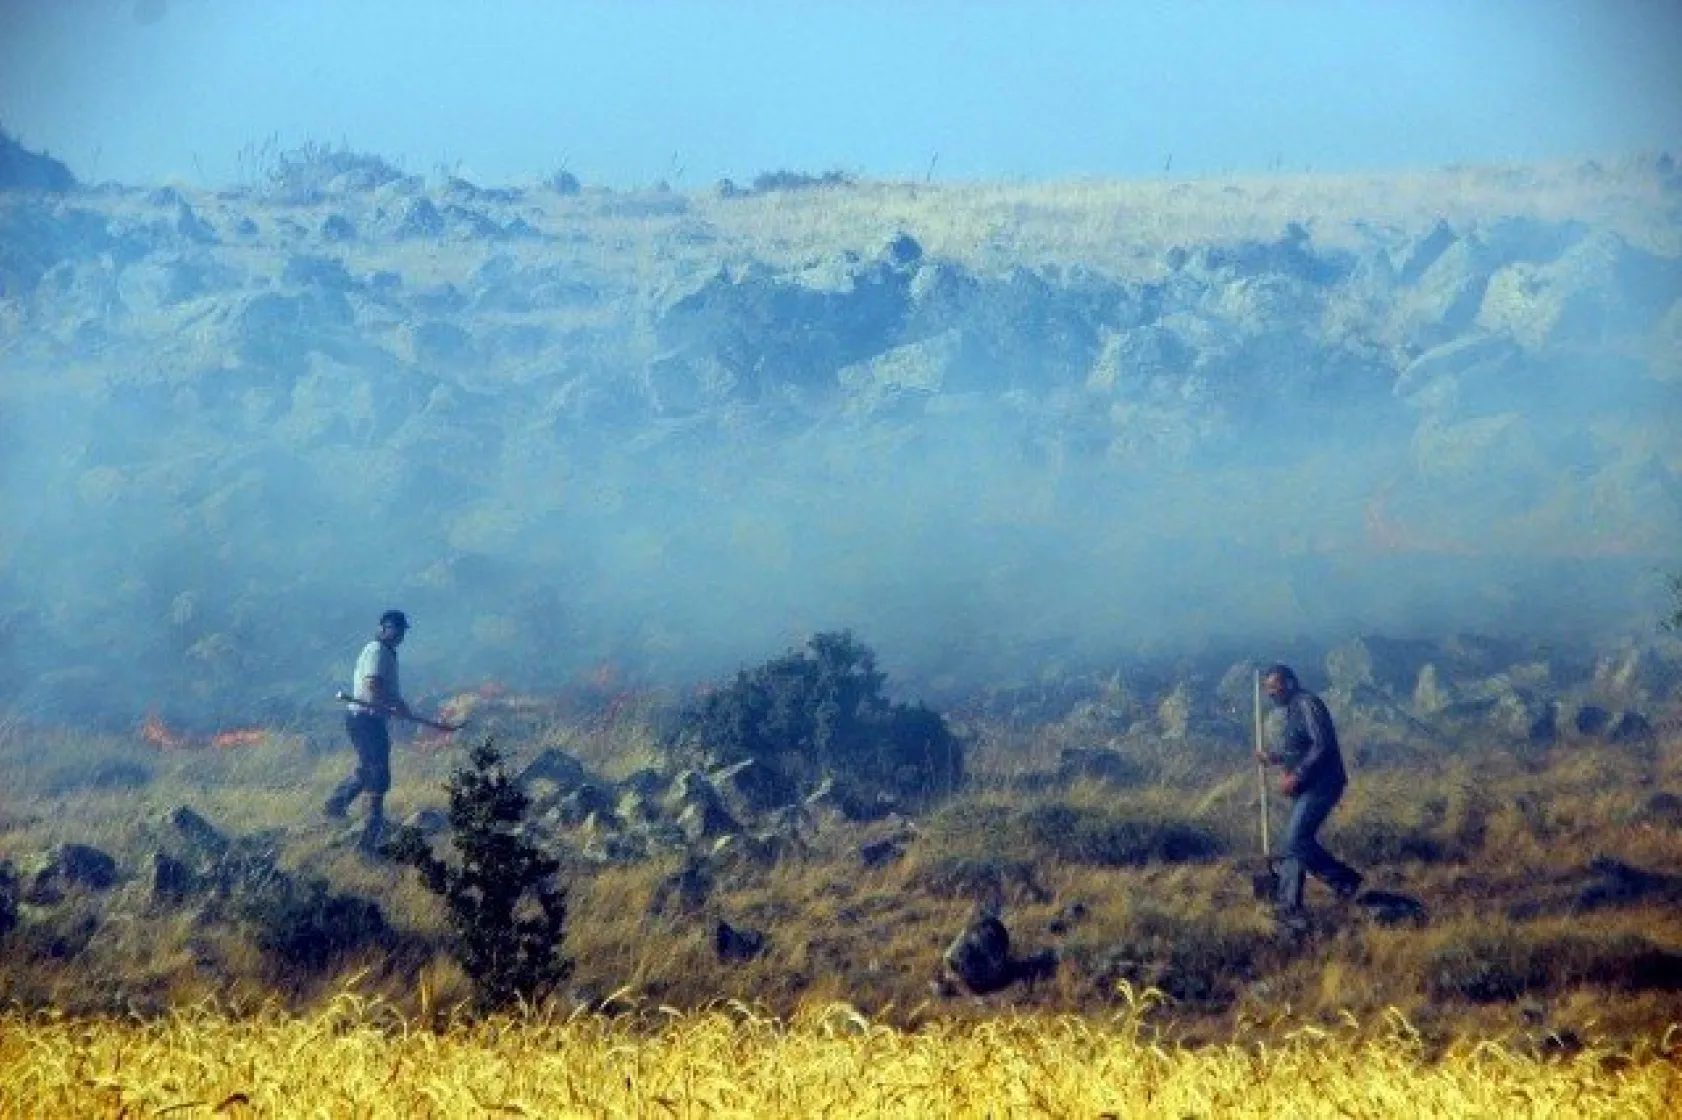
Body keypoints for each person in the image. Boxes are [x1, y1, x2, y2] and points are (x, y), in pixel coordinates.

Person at [1254, 663, 1363, 931]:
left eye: (1274, 687)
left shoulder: (1307, 703)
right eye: (1267, 689)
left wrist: (1297, 775)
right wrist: (1274, 758)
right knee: (1292, 843)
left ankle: (1345, 881)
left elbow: (1322, 744)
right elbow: (1299, 749)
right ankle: (1288, 904)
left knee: (1295, 840)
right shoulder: (1293, 709)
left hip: (1321, 784)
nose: (1271, 694)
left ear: (1290, 683)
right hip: (1308, 786)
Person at [326, 609, 414, 854]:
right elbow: (372, 684)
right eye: (394, 629)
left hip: (370, 720)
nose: (399, 635)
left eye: (402, 630)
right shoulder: (376, 650)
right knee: (378, 772)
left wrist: (398, 705)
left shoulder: (386, 652)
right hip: (364, 719)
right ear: (382, 629)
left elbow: (382, 688)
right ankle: (369, 835)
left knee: (370, 767)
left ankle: (335, 805)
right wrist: (393, 705)